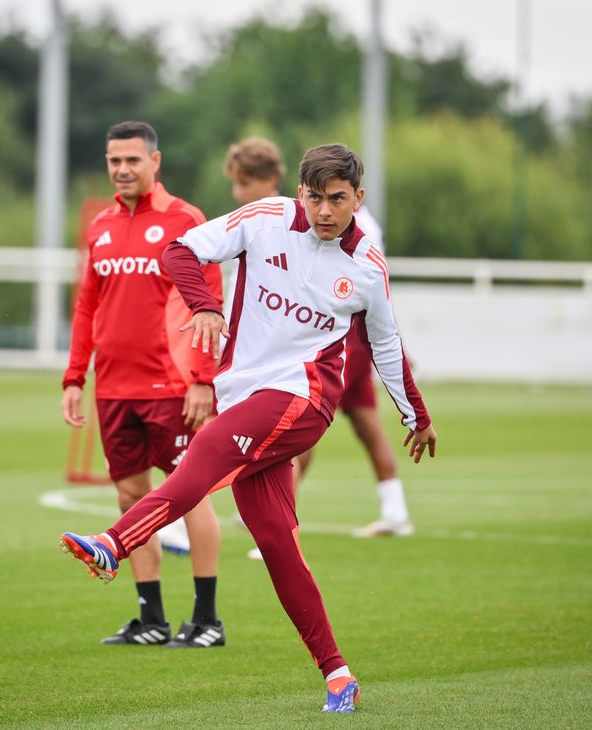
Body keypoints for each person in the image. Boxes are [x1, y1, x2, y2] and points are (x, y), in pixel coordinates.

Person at [61, 143, 437, 713]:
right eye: (316, 198)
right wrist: (203, 306)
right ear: (301, 194)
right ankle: (339, 675)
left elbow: (385, 342)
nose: (326, 211)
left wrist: (416, 413)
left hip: (303, 398)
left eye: (339, 200)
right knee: (279, 548)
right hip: (245, 394)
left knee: (204, 454)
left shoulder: (367, 268)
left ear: (358, 199)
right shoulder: (264, 219)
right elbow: (181, 251)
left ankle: (114, 544)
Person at [61, 121, 227, 649]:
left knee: (191, 497)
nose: (122, 169)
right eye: (114, 160)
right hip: (113, 388)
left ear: (156, 162)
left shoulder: (185, 220)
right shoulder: (102, 226)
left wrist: (203, 378)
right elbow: (88, 304)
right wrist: (74, 377)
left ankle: (206, 619)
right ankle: (151, 619)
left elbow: (209, 299)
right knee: (131, 496)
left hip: (173, 388)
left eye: (132, 159)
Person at [224, 139, 414, 559]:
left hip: (338, 339)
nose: (324, 206)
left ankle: (279, 524)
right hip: (346, 339)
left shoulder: (354, 231)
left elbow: (373, 290)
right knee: (364, 423)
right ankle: (395, 508)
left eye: (334, 196)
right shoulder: (294, 219)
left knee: (297, 423)